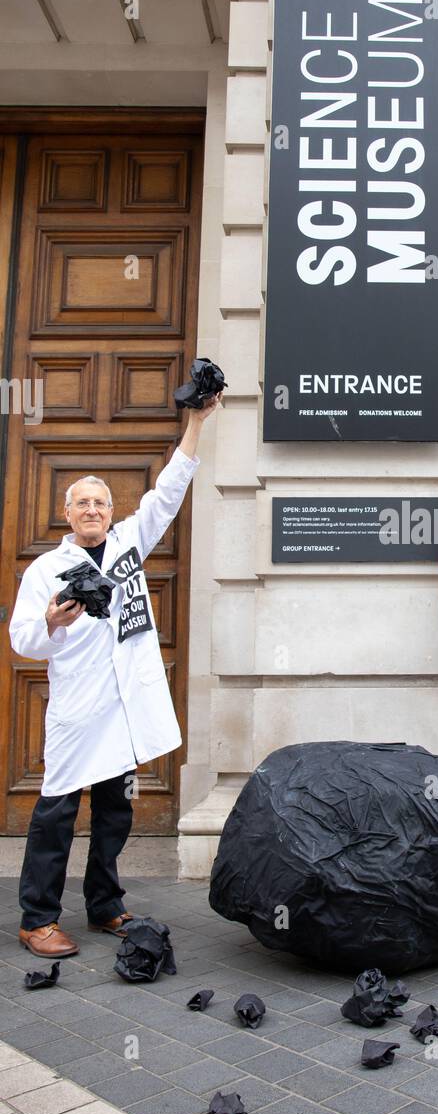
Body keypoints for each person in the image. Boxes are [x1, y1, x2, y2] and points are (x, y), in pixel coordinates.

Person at [10, 395, 220, 958]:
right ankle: (38, 918)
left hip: (126, 708)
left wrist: (196, 421)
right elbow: (21, 638)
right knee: (56, 811)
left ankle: (104, 904)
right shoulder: (46, 570)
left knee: (115, 812)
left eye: (100, 502)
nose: (93, 510)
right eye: (82, 503)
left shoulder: (129, 543)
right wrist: (51, 622)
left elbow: (170, 490)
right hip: (79, 712)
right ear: (67, 512)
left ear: (110, 510)